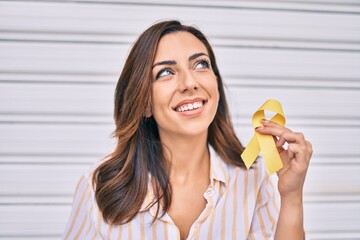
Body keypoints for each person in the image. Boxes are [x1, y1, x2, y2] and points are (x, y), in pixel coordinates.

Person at [63, 20, 312, 240]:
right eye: (166, 72)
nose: (190, 83)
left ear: (216, 83)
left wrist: (291, 195)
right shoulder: (98, 186)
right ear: (145, 103)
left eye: (201, 65)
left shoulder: (252, 177)